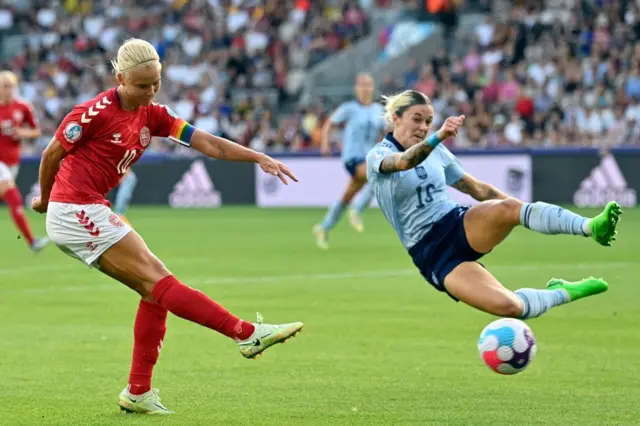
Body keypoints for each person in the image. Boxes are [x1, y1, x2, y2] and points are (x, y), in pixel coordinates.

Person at [32, 39, 303, 415]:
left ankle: (138, 392)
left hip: (88, 208)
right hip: (75, 210)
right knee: (160, 281)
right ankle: (246, 334)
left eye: (155, 83)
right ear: (120, 78)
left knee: (154, 291)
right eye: (142, 85)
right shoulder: (93, 112)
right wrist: (45, 201)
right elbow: (50, 155)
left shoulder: (154, 115)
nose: (150, 91)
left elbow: (208, 143)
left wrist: (257, 156)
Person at [366, 89, 621, 320]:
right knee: (511, 307)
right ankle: (562, 292)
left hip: (455, 224)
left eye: (428, 121)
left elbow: (478, 189)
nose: (423, 127)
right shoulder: (379, 155)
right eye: (417, 119)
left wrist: (525, 212)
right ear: (396, 118)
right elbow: (405, 162)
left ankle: (591, 227)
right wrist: (439, 135)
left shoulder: (438, 152)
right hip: (430, 253)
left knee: (507, 207)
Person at [313, 73, 386, 249]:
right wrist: (325, 142)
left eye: (368, 85)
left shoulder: (378, 110)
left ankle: (323, 227)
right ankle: (357, 210)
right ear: (356, 88)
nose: (365, 89)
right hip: (352, 157)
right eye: (362, 85)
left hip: (369, 157)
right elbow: (329, 123)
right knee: (379, 176)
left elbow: (384, 131)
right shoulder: (349, 108)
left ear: (373, 88)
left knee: (347, 196)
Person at [0, 71, 49, 252]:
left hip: (12, 162)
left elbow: (36, 131)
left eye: (11, 86)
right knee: (15, 198)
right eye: (4, 86)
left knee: (13, 201)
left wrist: (23, 133)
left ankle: (31, 241)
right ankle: (32, 241)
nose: (8, 90)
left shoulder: (22, 107)